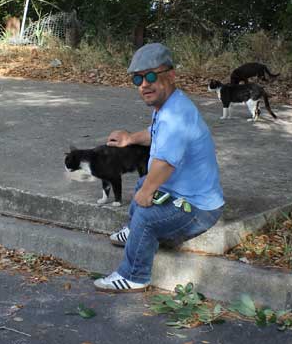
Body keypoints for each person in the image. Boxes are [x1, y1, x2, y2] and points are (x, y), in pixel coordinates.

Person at [94, 43, 224, 292]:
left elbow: (165, 163)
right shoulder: (167, 107)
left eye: (152, 75)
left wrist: (146, 193)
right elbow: (156, 134)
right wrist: (130, 138)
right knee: (144, 184)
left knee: (146, 211)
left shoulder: (177, 115)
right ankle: (134, 232)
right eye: (138, 79)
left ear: (171, 75)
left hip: (199, 209)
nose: (145, 84)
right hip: (185, 195)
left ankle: (134, 275)